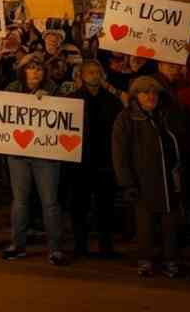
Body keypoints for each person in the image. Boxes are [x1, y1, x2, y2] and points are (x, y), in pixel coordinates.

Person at [112, 76, 185, 278]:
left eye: (154, 92)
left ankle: (171, 260)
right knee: (145, 224)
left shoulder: (166, 115)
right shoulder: (126, 119)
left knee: (170, 223)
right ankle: (145, 260)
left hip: (169, 179)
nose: (151, 96)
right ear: (136, 96)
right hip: (142, 180)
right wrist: (127, 183)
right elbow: (120, 153)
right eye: (145, 92)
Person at [2, 54, 66, 265]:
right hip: (18, 155)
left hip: (46, 155)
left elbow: (65, 116)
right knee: (20, 201)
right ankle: (17, 245)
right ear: (23, 70)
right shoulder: (12, 88)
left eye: (39, 67)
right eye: (31, 67)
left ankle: (55, 249)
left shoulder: (55, 89)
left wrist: (49, 101)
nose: (35, 71)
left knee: (50, 202)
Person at [68, 59, 122, 259]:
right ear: (82, 76)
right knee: (79, 206)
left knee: (105, 205)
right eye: (89, 72)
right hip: (80, 161)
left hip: (105, 161)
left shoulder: (113, 101)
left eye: (97, 72)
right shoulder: (72, 99)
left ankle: (106, 246)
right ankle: (80, 245)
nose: (94, 75)